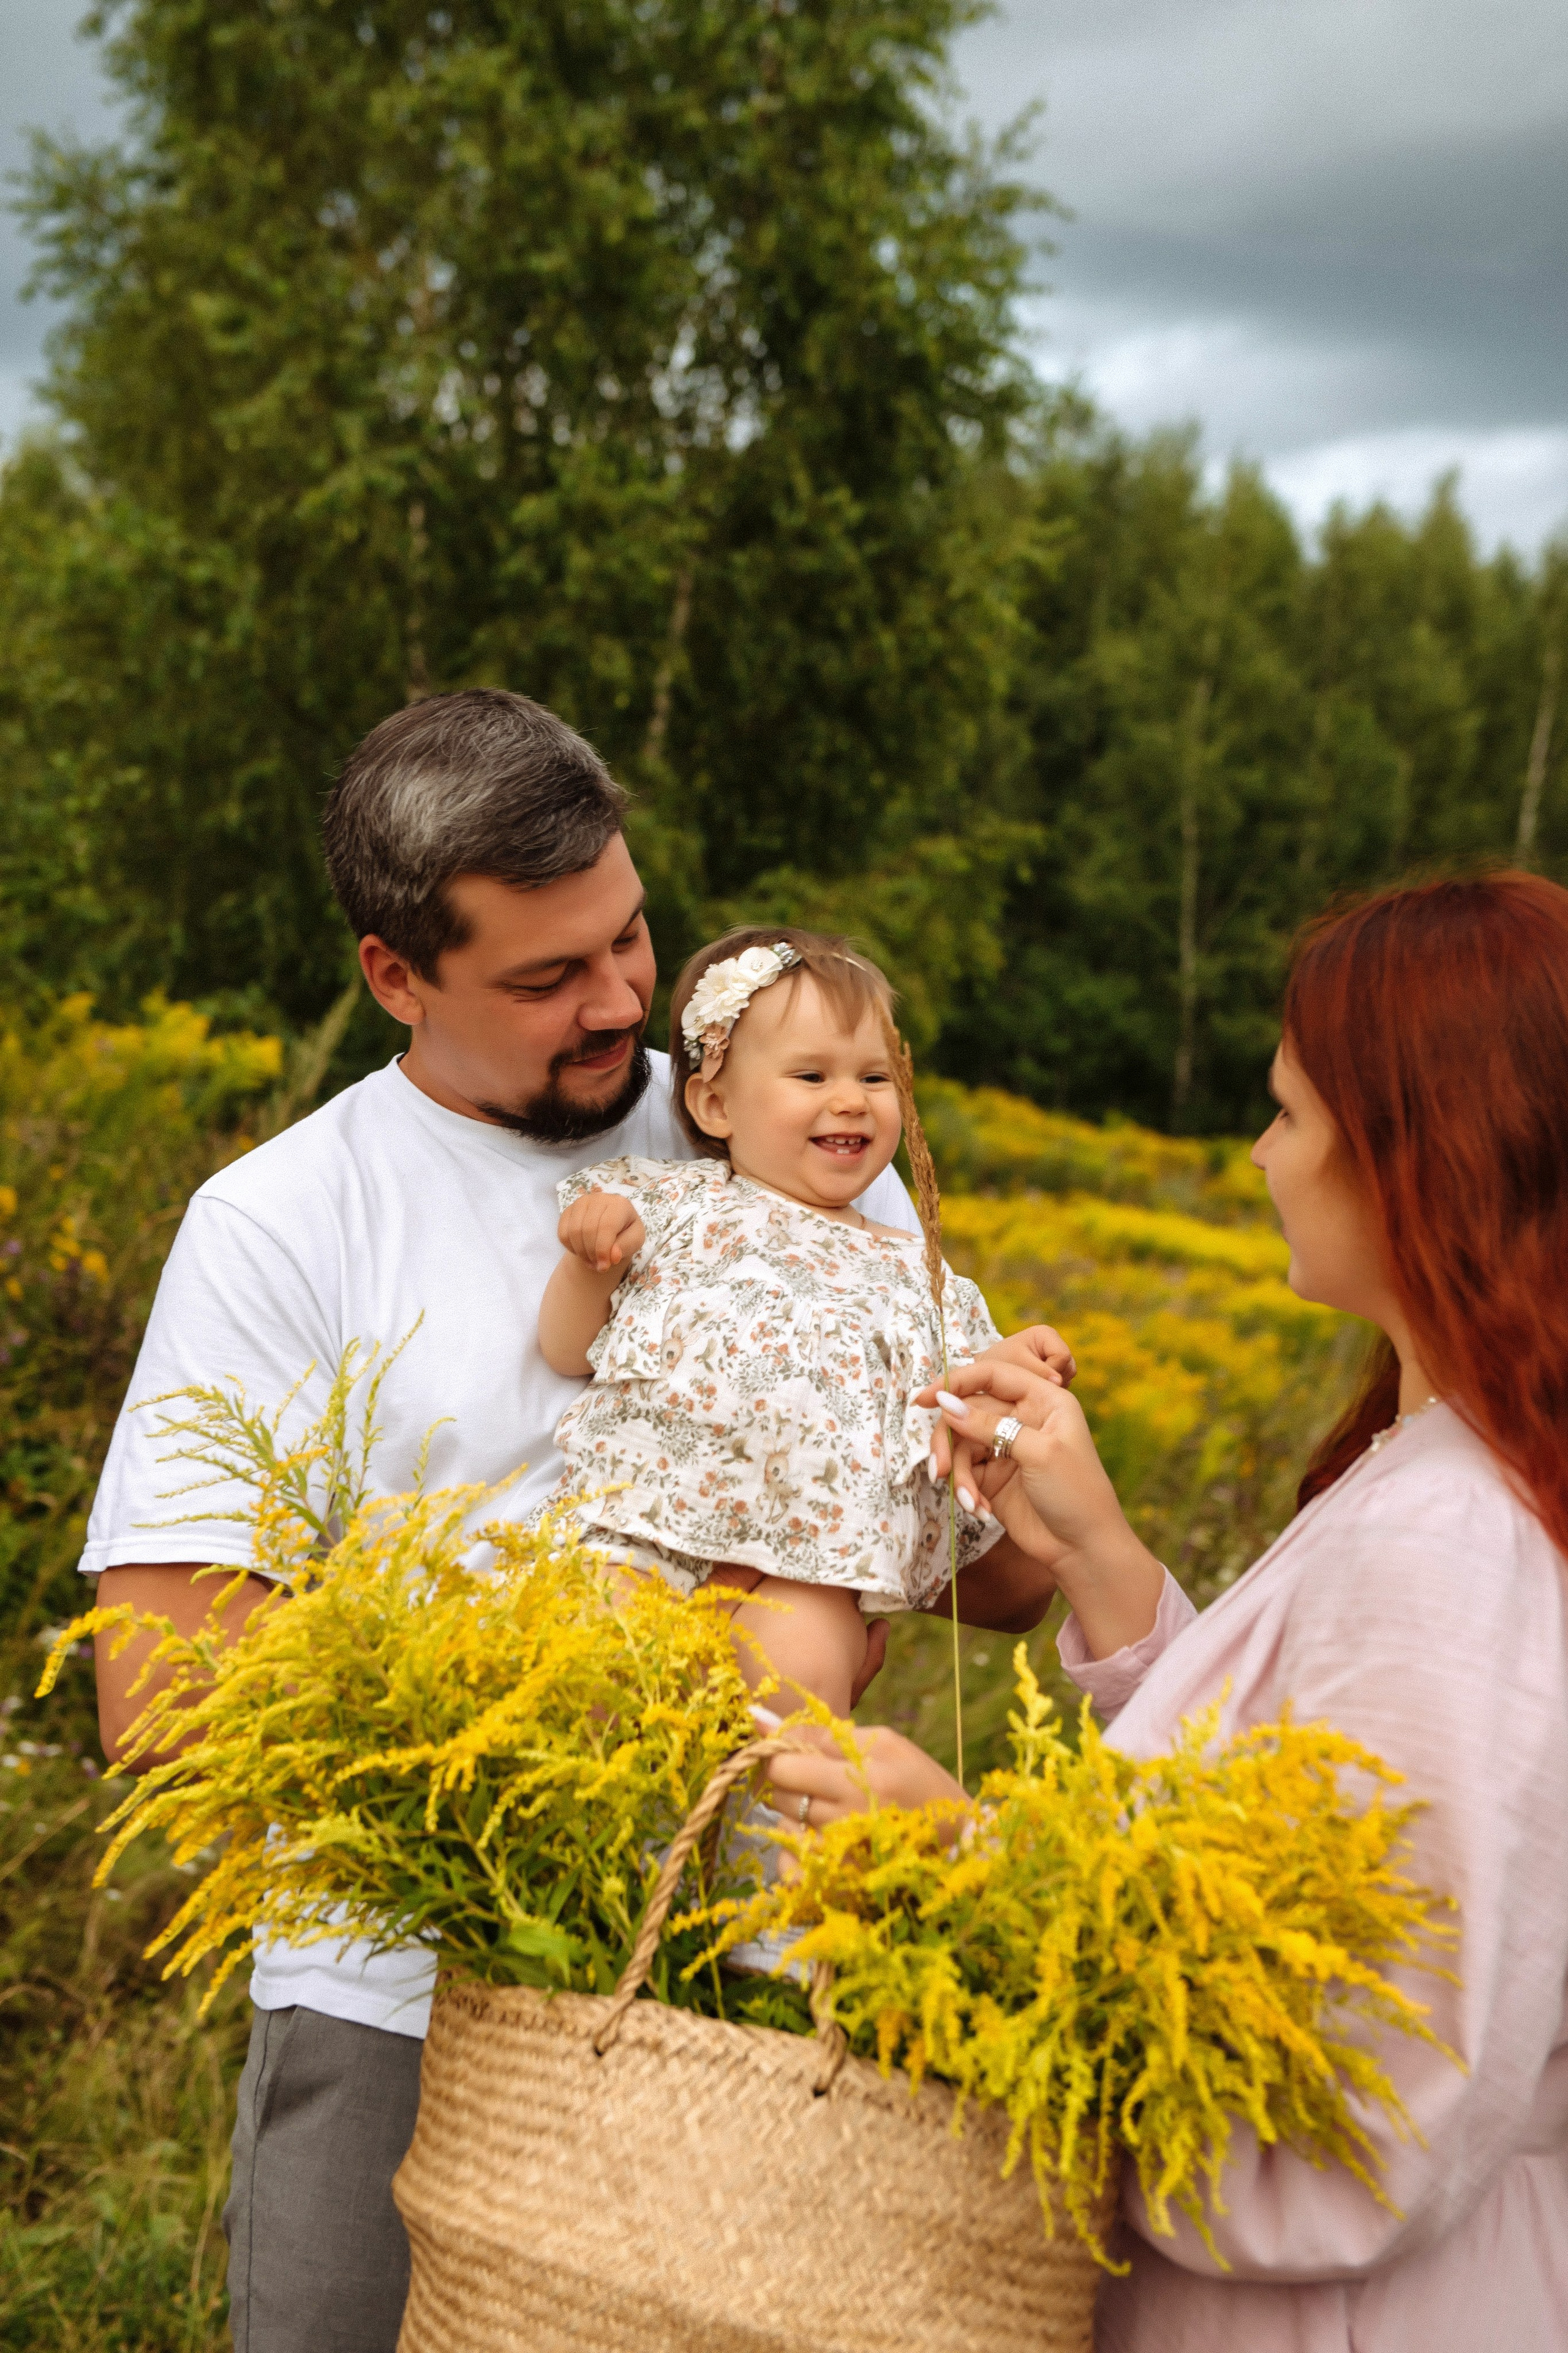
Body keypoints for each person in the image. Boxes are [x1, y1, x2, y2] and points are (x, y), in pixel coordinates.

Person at [81, 689, 1064, 2353]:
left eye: (631, 940)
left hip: (758, 1978)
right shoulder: (277, 1227)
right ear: (397, 976)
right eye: (546, 978)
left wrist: (1007, 1480)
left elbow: (994, 1588)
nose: (621, 1006)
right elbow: (160, 1692)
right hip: (402, 1992)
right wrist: (578, 1700)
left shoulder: (789, 1126)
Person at [764, 872, 1568, 2352]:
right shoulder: (1456, 1470)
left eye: (1285, 1111)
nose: (1259, 1154)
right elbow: (1288, 1832)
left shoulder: (1451, 1547)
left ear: (1409, 1155)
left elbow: (1375, 2093)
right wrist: (1102, 1557)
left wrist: (970, 1867)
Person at [538, 926, 1058, 1714]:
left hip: (810, 1563)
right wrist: (589, 1263)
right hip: (644, 1526)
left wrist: (1013, 1370)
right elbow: (567, 1349)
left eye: (876, 1077)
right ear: (714, 1103)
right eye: (811, 1074)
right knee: (591, 1677)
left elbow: (957, 1411)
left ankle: (795, 1827)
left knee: (804, 1699)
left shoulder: (919, 1274)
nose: (850, 1099)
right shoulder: (676, 1206)